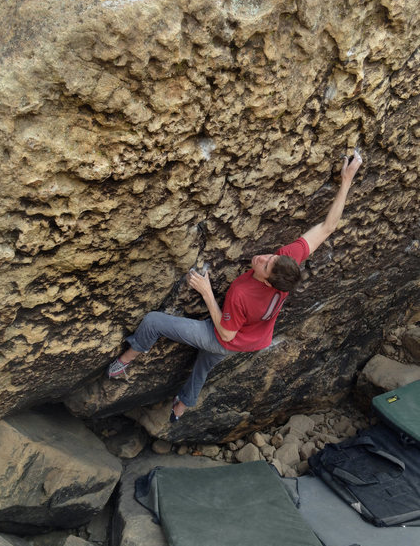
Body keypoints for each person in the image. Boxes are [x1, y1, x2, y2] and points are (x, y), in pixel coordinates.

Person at [107, 151, 362, 422]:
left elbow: (226, 334)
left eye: (264, 265)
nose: (262, 258)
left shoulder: (243, 294)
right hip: (253, 339)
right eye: (270, 257)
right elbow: (327, 227)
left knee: (155, 322)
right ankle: (181, 406)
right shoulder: (287, 265)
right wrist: (346, 181)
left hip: (227, 337)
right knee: (204, 364)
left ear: (267, 280)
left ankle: (124, 362)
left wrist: (206, 292)